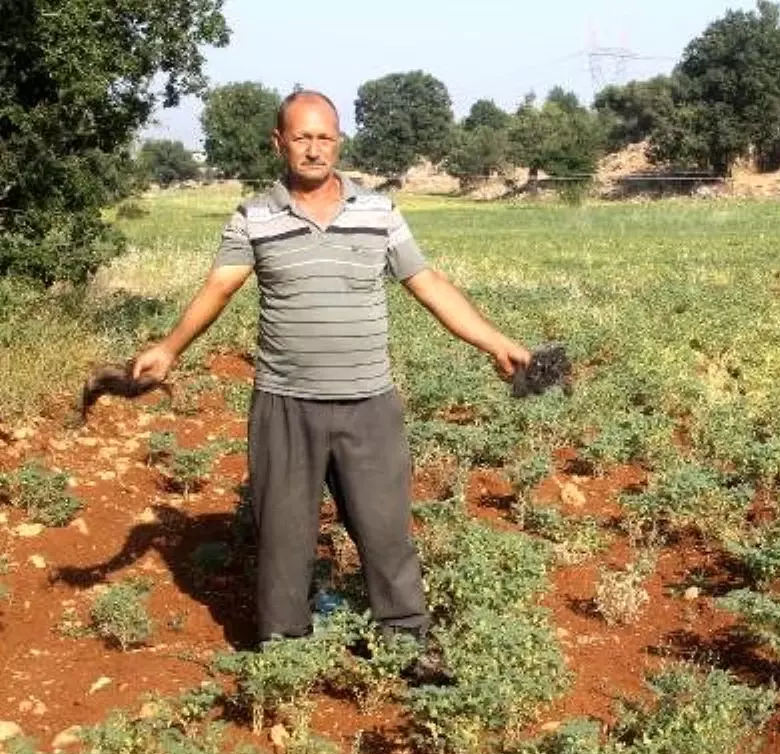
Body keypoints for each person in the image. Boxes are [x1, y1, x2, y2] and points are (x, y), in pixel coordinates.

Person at [132, 89, 530, 648]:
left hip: (369, 402)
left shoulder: (379, 211)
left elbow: (428, 284)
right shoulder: (254, 216)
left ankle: (407, 643)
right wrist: (170, 347)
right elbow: (219, 288)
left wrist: (496, 343)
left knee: (386, 532)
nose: (314, 149)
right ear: (279, 142)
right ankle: (284, 651)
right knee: (284, 540)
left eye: (324, 137)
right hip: (285, 404)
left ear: (338, 141)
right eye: (302, 137)